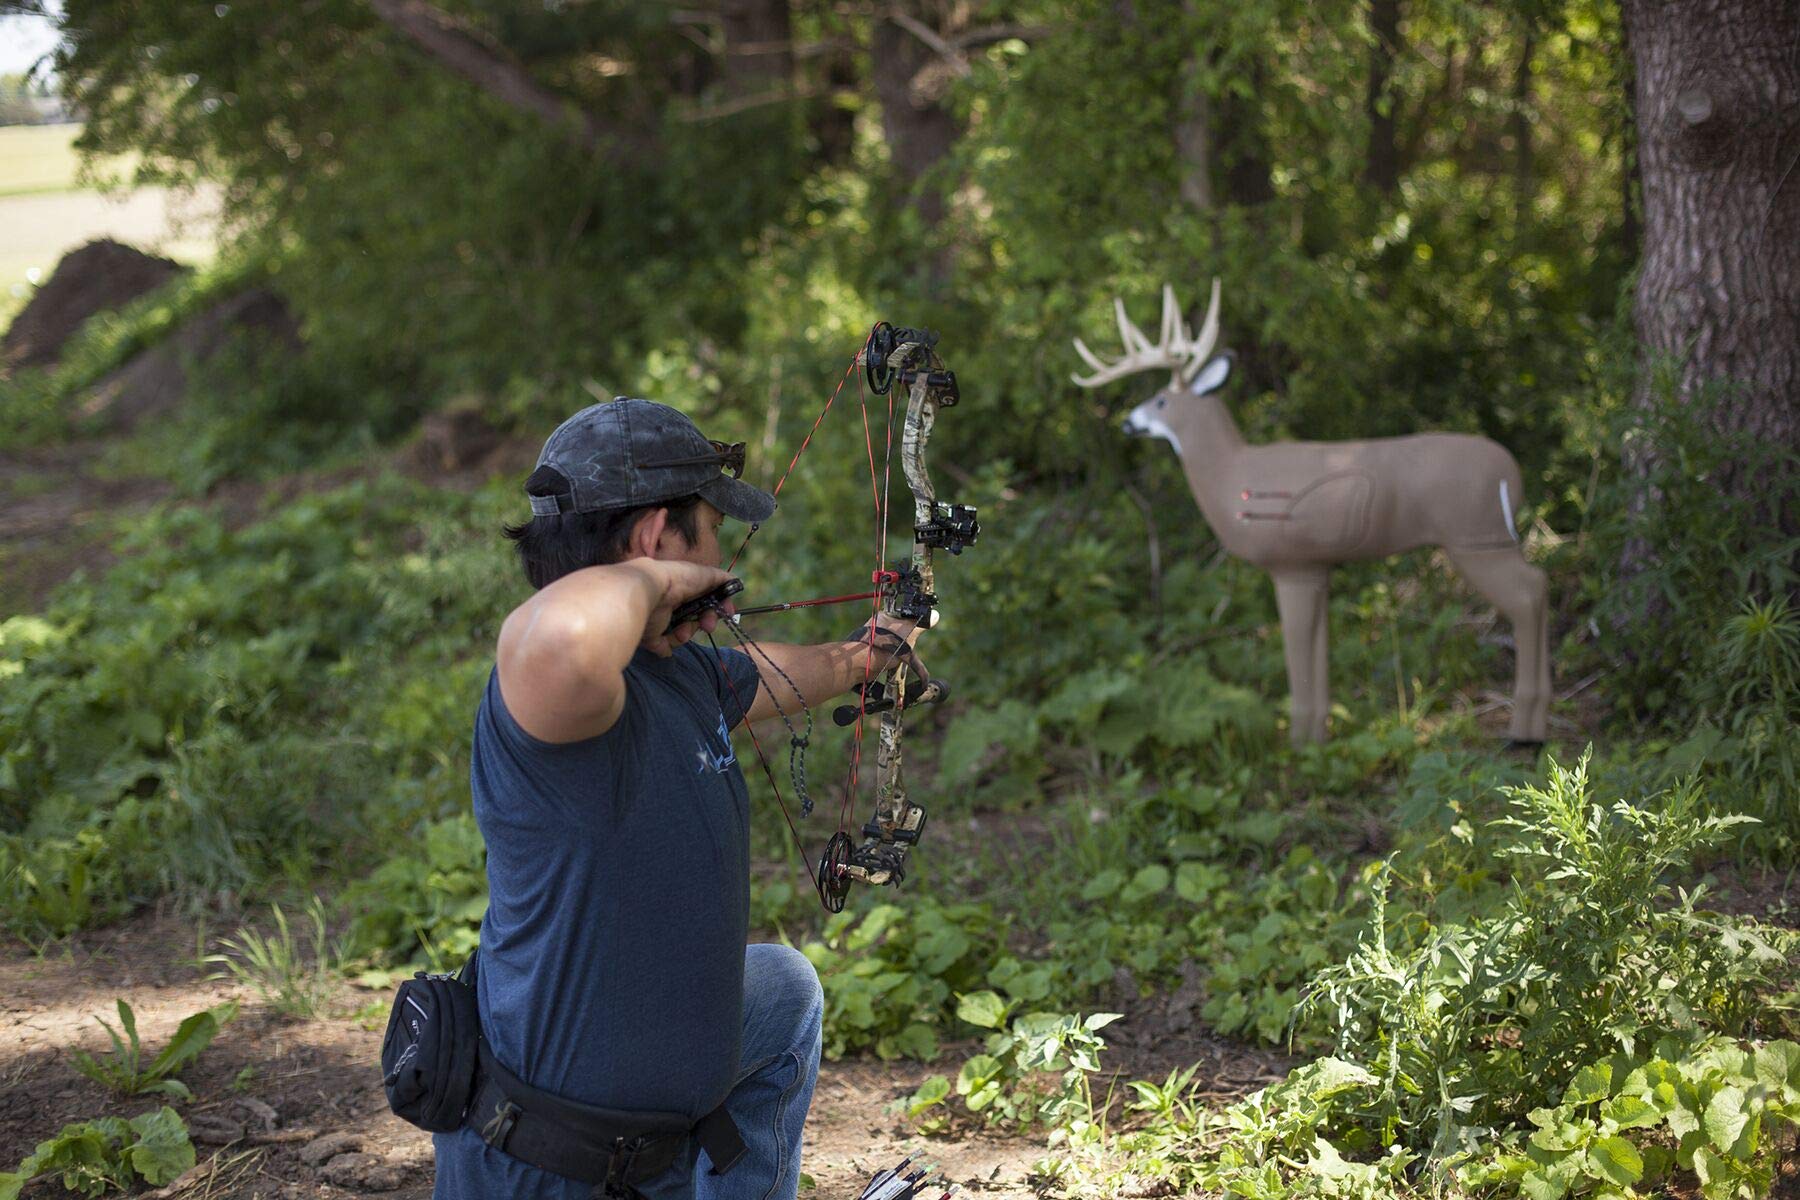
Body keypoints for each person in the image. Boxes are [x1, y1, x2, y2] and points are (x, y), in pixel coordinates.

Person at [432, 398, 923, 1200]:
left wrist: (878, 652)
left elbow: (792, 673)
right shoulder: (557, 695)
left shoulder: (681, 671)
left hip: (646, 1136)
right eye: (712, 535)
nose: (725, 572)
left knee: (784, 991)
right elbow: (560, 636)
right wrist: (658, 580)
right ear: (658, 539)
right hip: (550, 1165)